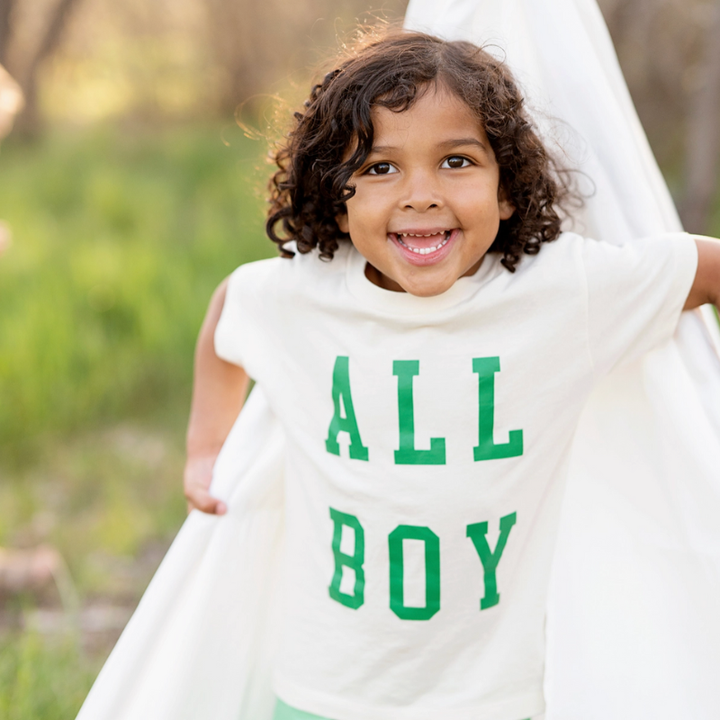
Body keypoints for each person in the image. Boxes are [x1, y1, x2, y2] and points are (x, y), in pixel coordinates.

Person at [179, 28, 720, 720]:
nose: (420, 194)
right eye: (379, 168)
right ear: (336, 195)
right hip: (326, 690)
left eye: (456, 160)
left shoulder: (559, 294)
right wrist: (205, 451)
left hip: (490, 697)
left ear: (505, 190)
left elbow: (703, 269)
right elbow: (228, 313)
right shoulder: (302, 297)